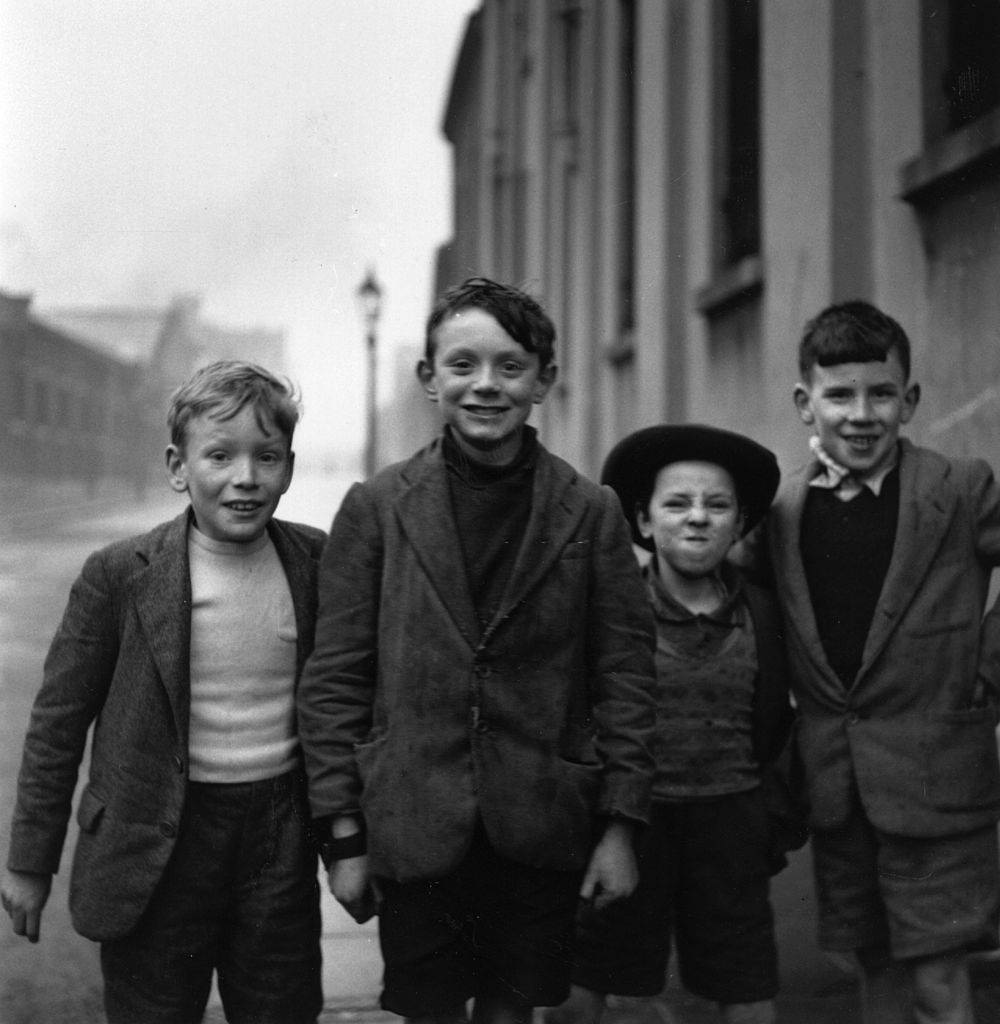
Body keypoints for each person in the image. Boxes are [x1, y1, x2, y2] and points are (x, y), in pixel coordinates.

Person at [297, 277, 656, 1024]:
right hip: (417, 826)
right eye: (462, 365)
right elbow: (334, 681)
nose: (486, 385)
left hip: (540, 827)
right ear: (430, 379)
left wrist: (620, 826)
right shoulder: (379, 507)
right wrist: (343, 837)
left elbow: (624, 677)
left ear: (544, 381)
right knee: (427, 1011)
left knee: (511, 1012)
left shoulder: (590, 511)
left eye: (510, 366)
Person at [1, 361, 326, 1024]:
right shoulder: (120, 575)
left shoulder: (317, 562)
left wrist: (349, 842)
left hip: (277, 839)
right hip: (157, 845)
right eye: (220, 455)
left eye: (267, 457)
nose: (246, 478)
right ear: (179, 467)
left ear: (289, 467)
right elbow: (57, 724)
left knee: (281, 1005)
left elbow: (346, 701)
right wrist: (29, 863)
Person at [765, 300, 1000, 1023]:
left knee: (938, 978)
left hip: (939, 781)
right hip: (841, 787)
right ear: (807, 405)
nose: (861, 414)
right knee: (878, 973)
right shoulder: (778, 510)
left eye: (881, 393)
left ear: (910, 400)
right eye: (839, 395)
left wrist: (987, 667)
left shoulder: (959, 489)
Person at [548, 424, 792, 1024]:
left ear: (740, 522)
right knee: (583, 981)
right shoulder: (613, 606)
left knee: (747, 983)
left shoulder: (761, 612)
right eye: (677, 504)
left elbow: (780, 722)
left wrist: (771, 819)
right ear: (645, 521)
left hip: (731, 824)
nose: (698, 519)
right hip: (630, 823)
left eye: (717, 505)